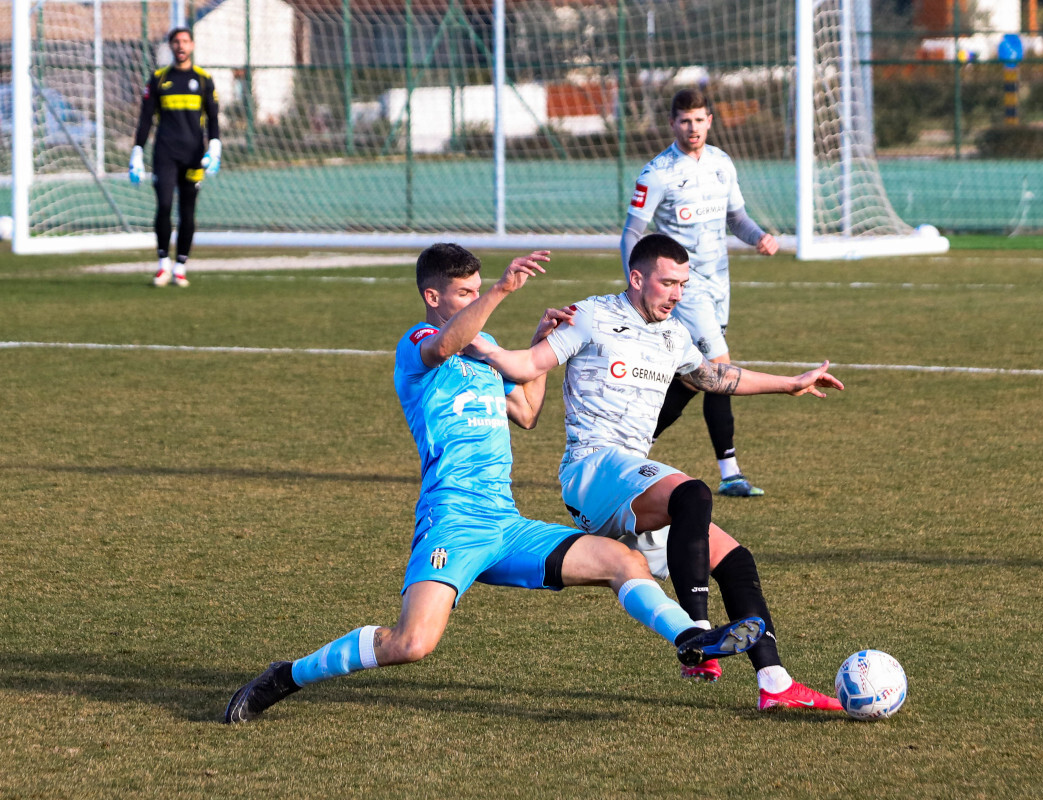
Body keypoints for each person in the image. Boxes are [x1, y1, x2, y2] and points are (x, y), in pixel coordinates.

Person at [223, 244, 764, 723]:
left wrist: (542, 344)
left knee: (623, 562)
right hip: (452, 522)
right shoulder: (419, 344)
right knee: (411, 643)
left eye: (479, 290)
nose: (475, 300)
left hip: (505, 523)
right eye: (464, 293)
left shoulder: (483, 357)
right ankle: (286, 675)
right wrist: (506, 289)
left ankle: (694, 639)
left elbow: (527, 411)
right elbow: (443, 347)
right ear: (432, 297)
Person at [467, 234, 845, 712]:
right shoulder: (590, 316)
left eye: (683, 284)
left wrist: (789, 383)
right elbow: (524, 365)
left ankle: (775, 683)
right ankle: (698, 635)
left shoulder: (674, 334)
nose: (677, 294)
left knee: (734, 559)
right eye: (668, 283)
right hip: (592, 469)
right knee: (692, 493)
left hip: (632, 483)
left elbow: (714, 377)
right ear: (637, 277)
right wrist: (468, 337)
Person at [620, 88, 779, 497]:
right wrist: (634, 283)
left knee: (695, 379)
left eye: (699, 119)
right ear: (673, 123)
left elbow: (737, 219)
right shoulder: (657, 173)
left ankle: (630, 447)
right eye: (685, 120)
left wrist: (758, 236)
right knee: (721, 368)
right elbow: (632, 233)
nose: (693, 127)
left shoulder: (723, 164)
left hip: (719, 282)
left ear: (710, 120)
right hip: (683, 288)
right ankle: (730, 473)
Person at [129, 27, 221, 288]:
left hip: (193, 156)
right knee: (165, 206)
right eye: (176, 42)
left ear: (191, 45)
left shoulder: (203, 80)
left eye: (185, 41)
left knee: (188, 212)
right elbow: (146, 118)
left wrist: (214, 146)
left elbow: (213, 117)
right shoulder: (158, 79)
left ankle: (180, 266)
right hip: (165, 154)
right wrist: (137, 150)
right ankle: (162, 265)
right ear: (170, 46)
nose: (180, 46)